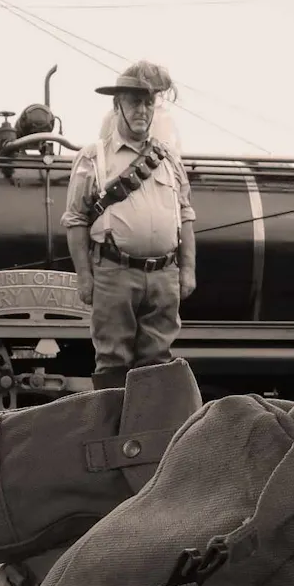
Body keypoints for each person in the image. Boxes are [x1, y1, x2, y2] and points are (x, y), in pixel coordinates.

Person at [62, 62, 197, 390]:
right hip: (114, 273)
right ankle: (111, 436)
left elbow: (186, 215)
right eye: (135, 101)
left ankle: (148, 435)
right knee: (113, 359)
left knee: (158, 361)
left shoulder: (169, 160)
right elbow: (76, 220)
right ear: (117, 105)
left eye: (149, 102)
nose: (142, 109)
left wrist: (187, 270)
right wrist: (84, 276)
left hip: (164, 276)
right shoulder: (94, 158)